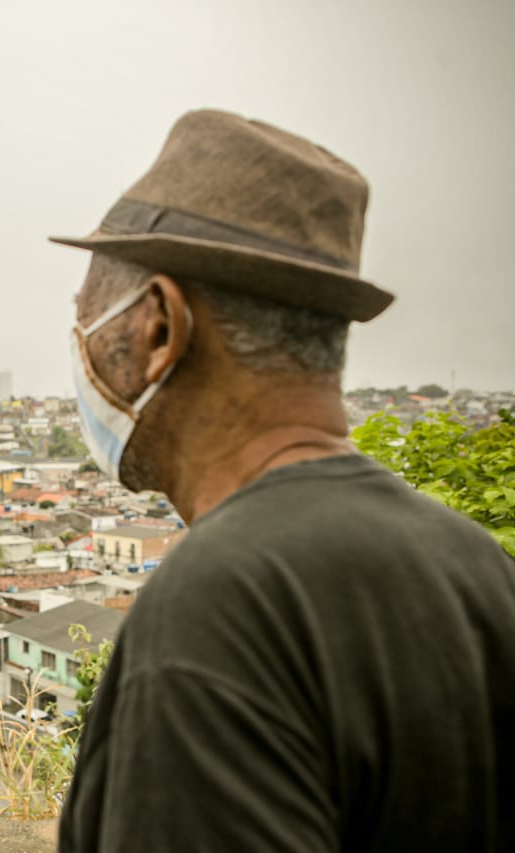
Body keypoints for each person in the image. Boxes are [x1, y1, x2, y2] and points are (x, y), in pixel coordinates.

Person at [51, 109, 515, 851]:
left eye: (87, 317)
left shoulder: (220, 604)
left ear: (159, 328)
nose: (79, 347)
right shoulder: (475, 559)